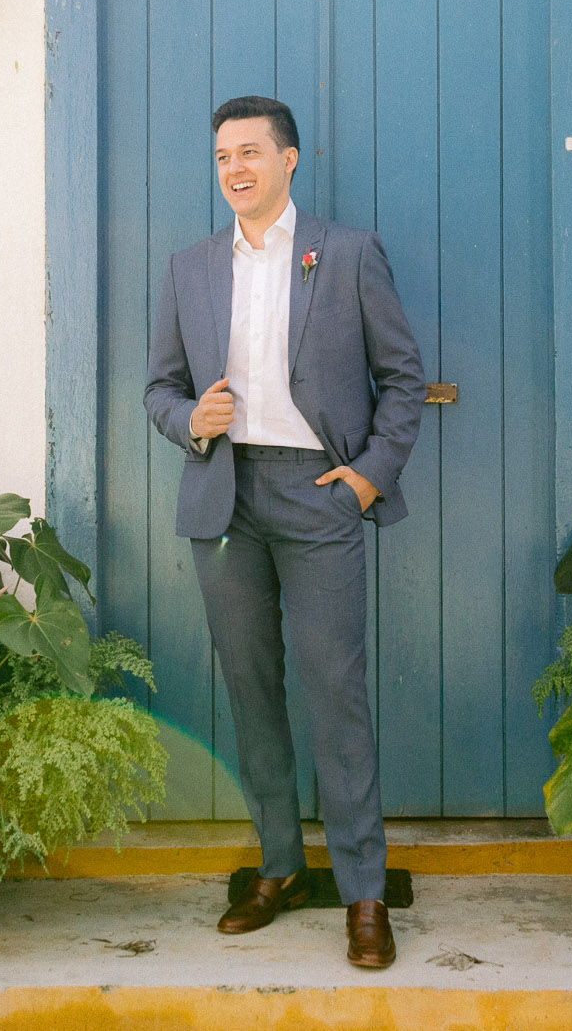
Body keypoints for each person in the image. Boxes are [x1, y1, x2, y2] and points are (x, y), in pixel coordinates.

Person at [143, 95, 425, 970]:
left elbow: (403, 377)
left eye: (253, 152)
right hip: (225, 499)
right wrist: (194, 415)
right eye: (223, 154)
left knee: (334, 688)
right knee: (252, 688)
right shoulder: (189, 268)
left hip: (317, 494)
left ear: (290, 159)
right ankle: (277, 866)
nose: (236, 167)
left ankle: (364, 890)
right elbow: (157, 389)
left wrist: (370, 474)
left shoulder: (345, 253)